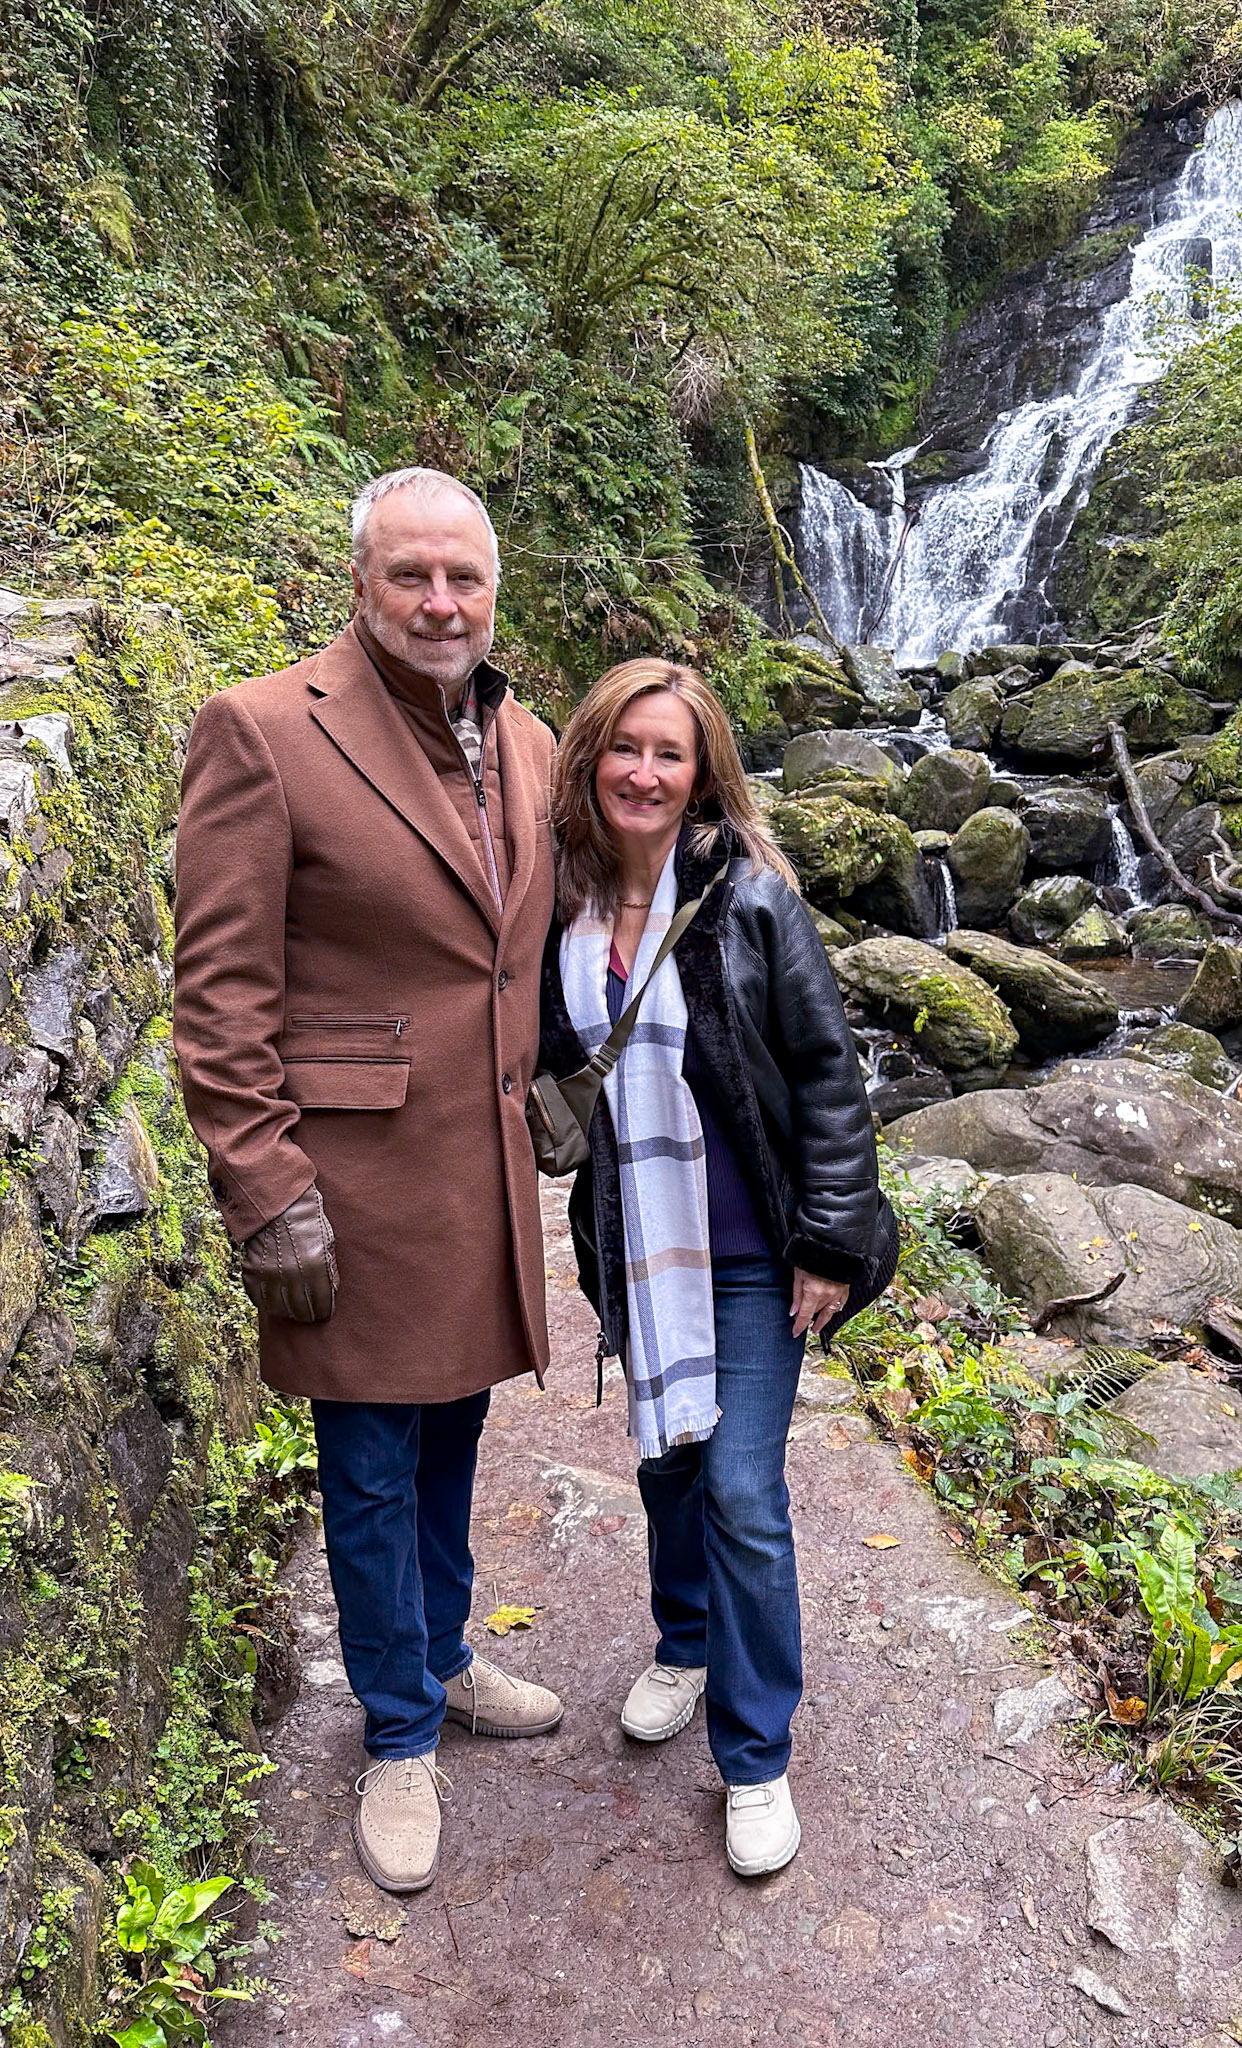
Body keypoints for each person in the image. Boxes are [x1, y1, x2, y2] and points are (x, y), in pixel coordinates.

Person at [173, 467, 562, 1896]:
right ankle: (397, 1730)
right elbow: (219, 994)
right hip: (349, 1180)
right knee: (370, 1463)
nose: (441, 602)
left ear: (494, 588)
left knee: (454, 1427)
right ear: (362, 583)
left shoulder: (523, 735)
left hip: (479, 1167)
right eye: (412, 575)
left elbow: (531, 941)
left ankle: (444, 1653)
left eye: (464, 576)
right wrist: (264, 1189)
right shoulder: (265, 728)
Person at [539, 657, 896, 1878]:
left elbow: (829, 1070)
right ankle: (684, 1640)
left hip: (756, 1255)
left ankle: (755, 1756)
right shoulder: (561, 902)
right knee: (668, 1463)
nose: (644, 772)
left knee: (742, 1487)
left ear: (702, 776)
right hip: (644, 1245)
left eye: (670, 753)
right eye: (626, 746)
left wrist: (832, 1240)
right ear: (592, 756)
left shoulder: (750, 898)